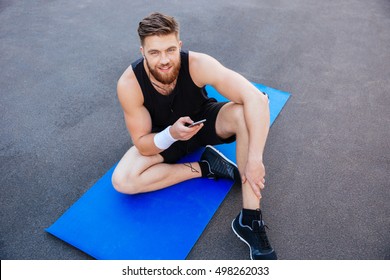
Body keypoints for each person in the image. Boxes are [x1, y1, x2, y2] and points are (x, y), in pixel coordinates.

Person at [112, 12, 277, 260]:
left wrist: (255, 159)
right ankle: (205, 166)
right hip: (165, 138)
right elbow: (143, 144)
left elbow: (257, 99)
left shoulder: (198, 64)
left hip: (203, 123)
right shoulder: (129, 84)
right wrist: (170, 134)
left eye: (170, 50)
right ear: (142, 51)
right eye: (154, 53)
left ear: (179, 45)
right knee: (123, 181)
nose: (164, 60)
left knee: (246, 113)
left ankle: (249, 219)